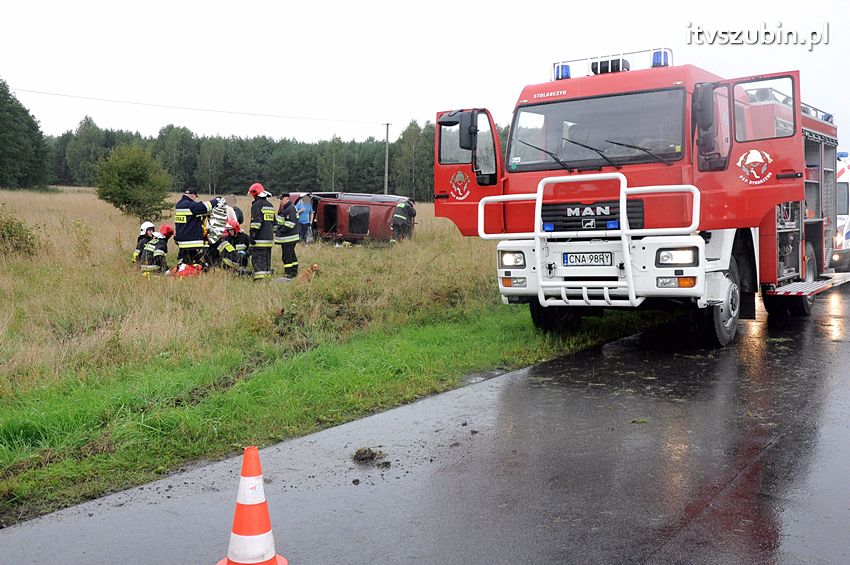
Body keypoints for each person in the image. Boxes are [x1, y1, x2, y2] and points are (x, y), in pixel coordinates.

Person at [174, 189, 224, 266]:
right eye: (195, 197)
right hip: (190, 241)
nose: (195, 200)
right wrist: (216, 200)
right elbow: (204, 207)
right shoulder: (190, 205)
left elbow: (191, 217)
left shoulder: (179, 205)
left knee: (185, 261)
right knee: (193, 262)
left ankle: (183, 271)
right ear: (193, 195)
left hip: (181, 240)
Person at [248, 182, 275, 280]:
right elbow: (274, 223)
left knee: (258, 260)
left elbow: (256, 222)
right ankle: (267, 279)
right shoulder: (270, 205)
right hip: (269, 240)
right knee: (267, 260)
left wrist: (252, 236)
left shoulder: (256, 205)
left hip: (259, 240)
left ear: (255, 193)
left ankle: (259, 280)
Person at [274, 193, 300, 278]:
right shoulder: (286, 208)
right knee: (291, 255)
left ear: (287, 199)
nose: (280, 201)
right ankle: (294, 272)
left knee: (286, 256)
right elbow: (281, 222)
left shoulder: (290, 208)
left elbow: (289, 224)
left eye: (282, 199)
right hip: (290, 237)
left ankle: (288, 273)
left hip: (288, 237)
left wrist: (280, 232)